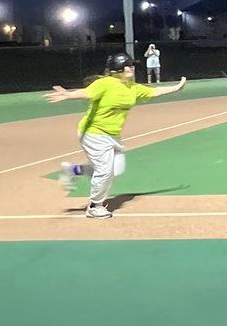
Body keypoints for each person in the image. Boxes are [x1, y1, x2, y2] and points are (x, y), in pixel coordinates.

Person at [46, 52, 187, 219]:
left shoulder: (132, 88)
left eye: (132, 65)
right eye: (127, 65)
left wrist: (176, 88)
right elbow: (87, 93)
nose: (131, 68)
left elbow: (154, 92)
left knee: (115, 170)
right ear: (117, 68)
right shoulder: (105, 83)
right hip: (93, 133)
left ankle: (73, 170)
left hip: (112, 135)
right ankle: (95, 206)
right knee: (105, 170)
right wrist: (69, 95)